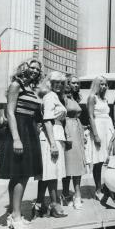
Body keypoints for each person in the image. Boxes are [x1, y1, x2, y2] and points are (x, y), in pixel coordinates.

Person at [0, 59, 43, 229]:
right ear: (24, 67)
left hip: (29, 130)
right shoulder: (17, 85)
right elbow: (10, 111)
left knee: (20, 174)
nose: (35, 71)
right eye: (32, 67)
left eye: (38, 69)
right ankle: (15, 216)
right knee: (21, 174)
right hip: (19, 130)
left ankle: (14, 213)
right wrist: (16, 138)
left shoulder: (31, 89)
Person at [33, 71, 68, 219]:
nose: (58, 85)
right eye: (55, 82)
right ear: (50, 83)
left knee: (46, 174)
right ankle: (54, 205)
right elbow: (47, 120)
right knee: (52, 173)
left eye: (61, 82)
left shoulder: (55, 97)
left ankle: (39, 205)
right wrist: (53, 144)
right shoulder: (49, 96)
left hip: (55, 134)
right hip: (51, 136)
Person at [87, 76, 114, 200]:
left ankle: (106, 186)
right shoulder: (92, 98)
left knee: (105, 160)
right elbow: (91, 117)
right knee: (97, 162)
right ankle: (97, 189)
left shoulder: (105, 99)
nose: (104, 86)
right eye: (101, 84)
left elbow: (107, 116)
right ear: (97, 85)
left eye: (106, 84)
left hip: (107, 128)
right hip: (98, 129)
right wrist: (96, 135)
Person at [61, 75, 86, 209]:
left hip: (77, 130)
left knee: (77, 164)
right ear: (67, 83)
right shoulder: (62, 97)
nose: (77, 85)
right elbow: (62, 116)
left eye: (78, 83)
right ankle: (66, 193)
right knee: (67, 163)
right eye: (74, 83)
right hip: (68, 130)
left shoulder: (74, 98)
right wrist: (67, 135)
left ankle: (77, 194)